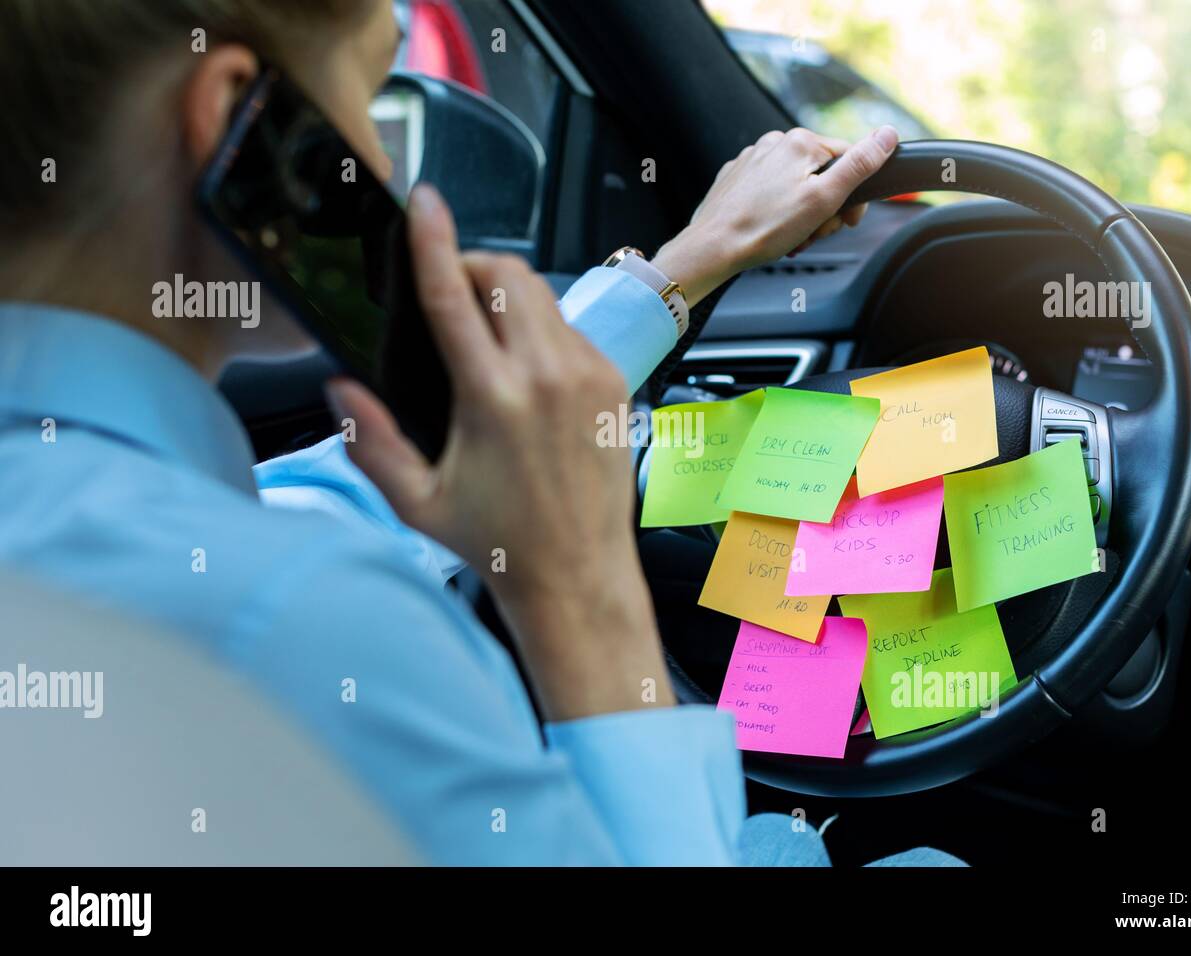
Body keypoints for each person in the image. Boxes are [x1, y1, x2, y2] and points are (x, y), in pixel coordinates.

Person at [0, 0, 927, 864]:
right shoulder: (309, 621)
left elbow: (322, 508)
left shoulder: (121, 523)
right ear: (237, 127)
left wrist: (683, 267)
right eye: (370, 101)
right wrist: (579, 584)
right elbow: (295, 572)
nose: (389, 171)